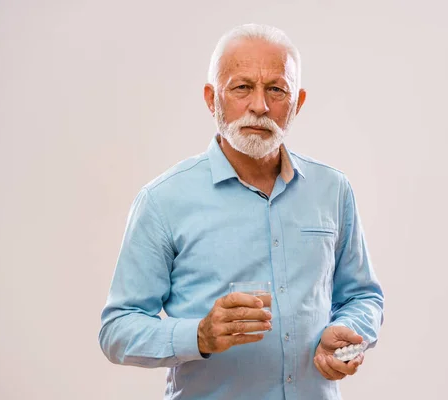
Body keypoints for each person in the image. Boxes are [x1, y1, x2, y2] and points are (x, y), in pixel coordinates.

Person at [99, 23, 384, 399]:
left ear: (296, 103)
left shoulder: (332, 190)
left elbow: (363, 297)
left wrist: (349, 332)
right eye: (242, 87)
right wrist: (198, 335)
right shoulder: (163, 200)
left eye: (276, 90)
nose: (259, 106)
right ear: (211, 99)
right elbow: (117, 330)